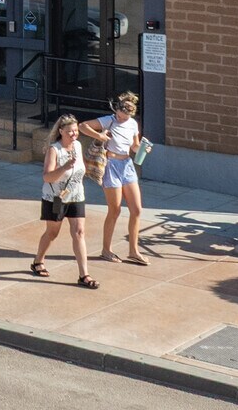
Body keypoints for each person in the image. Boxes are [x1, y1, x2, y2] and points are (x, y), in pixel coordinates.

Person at [82, 92, 149, 265]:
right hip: (110, 165)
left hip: (126, 164)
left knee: (137, 209)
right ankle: (106, 250)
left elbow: (134, 146)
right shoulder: (108, 120)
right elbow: (83, 126)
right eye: (119, 115)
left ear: (130, 115)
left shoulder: (133, 124)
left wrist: (142, 149)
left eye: (124, 117)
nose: (120, 118)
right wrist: (99, 136)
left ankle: (133, 251)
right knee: (115, 209)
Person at [31, 115, 98, 288]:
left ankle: (84, 275)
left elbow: (80, 169)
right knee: (52, 233)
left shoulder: (77, 145)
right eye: (70, 132)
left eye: (76, 131)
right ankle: (38, 260)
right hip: (55, 198)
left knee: (79, 232)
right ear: (61, 131)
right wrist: (64, 167)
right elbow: (47, 177)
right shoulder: (54, 150)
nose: (74, 135)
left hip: (76, 196)